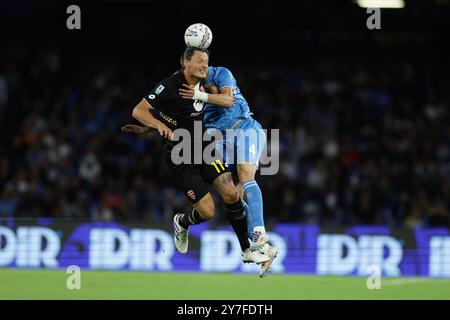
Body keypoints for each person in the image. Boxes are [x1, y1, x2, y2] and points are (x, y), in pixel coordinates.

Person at [122, 47, 268, 269]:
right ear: (185, 63)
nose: (204, 65)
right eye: (199, 61)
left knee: (230, 191)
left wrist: (147, 130)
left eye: (206, 61)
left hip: (204, 145)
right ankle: (182, 221)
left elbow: (200, 111)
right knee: (208, 211)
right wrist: (156, 126)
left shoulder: (205, 85)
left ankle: (246, 250)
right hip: (181, 151)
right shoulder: (170, 85)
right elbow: (139, 110)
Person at [178, 65, 278, 278]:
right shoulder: (186, 91)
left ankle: (259, 234)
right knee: (232, 195)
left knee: (245, 175)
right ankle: (259, 247)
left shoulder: (221, 73)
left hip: (244, 127)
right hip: (218, 140)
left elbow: (228, 100)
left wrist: (199, 94)